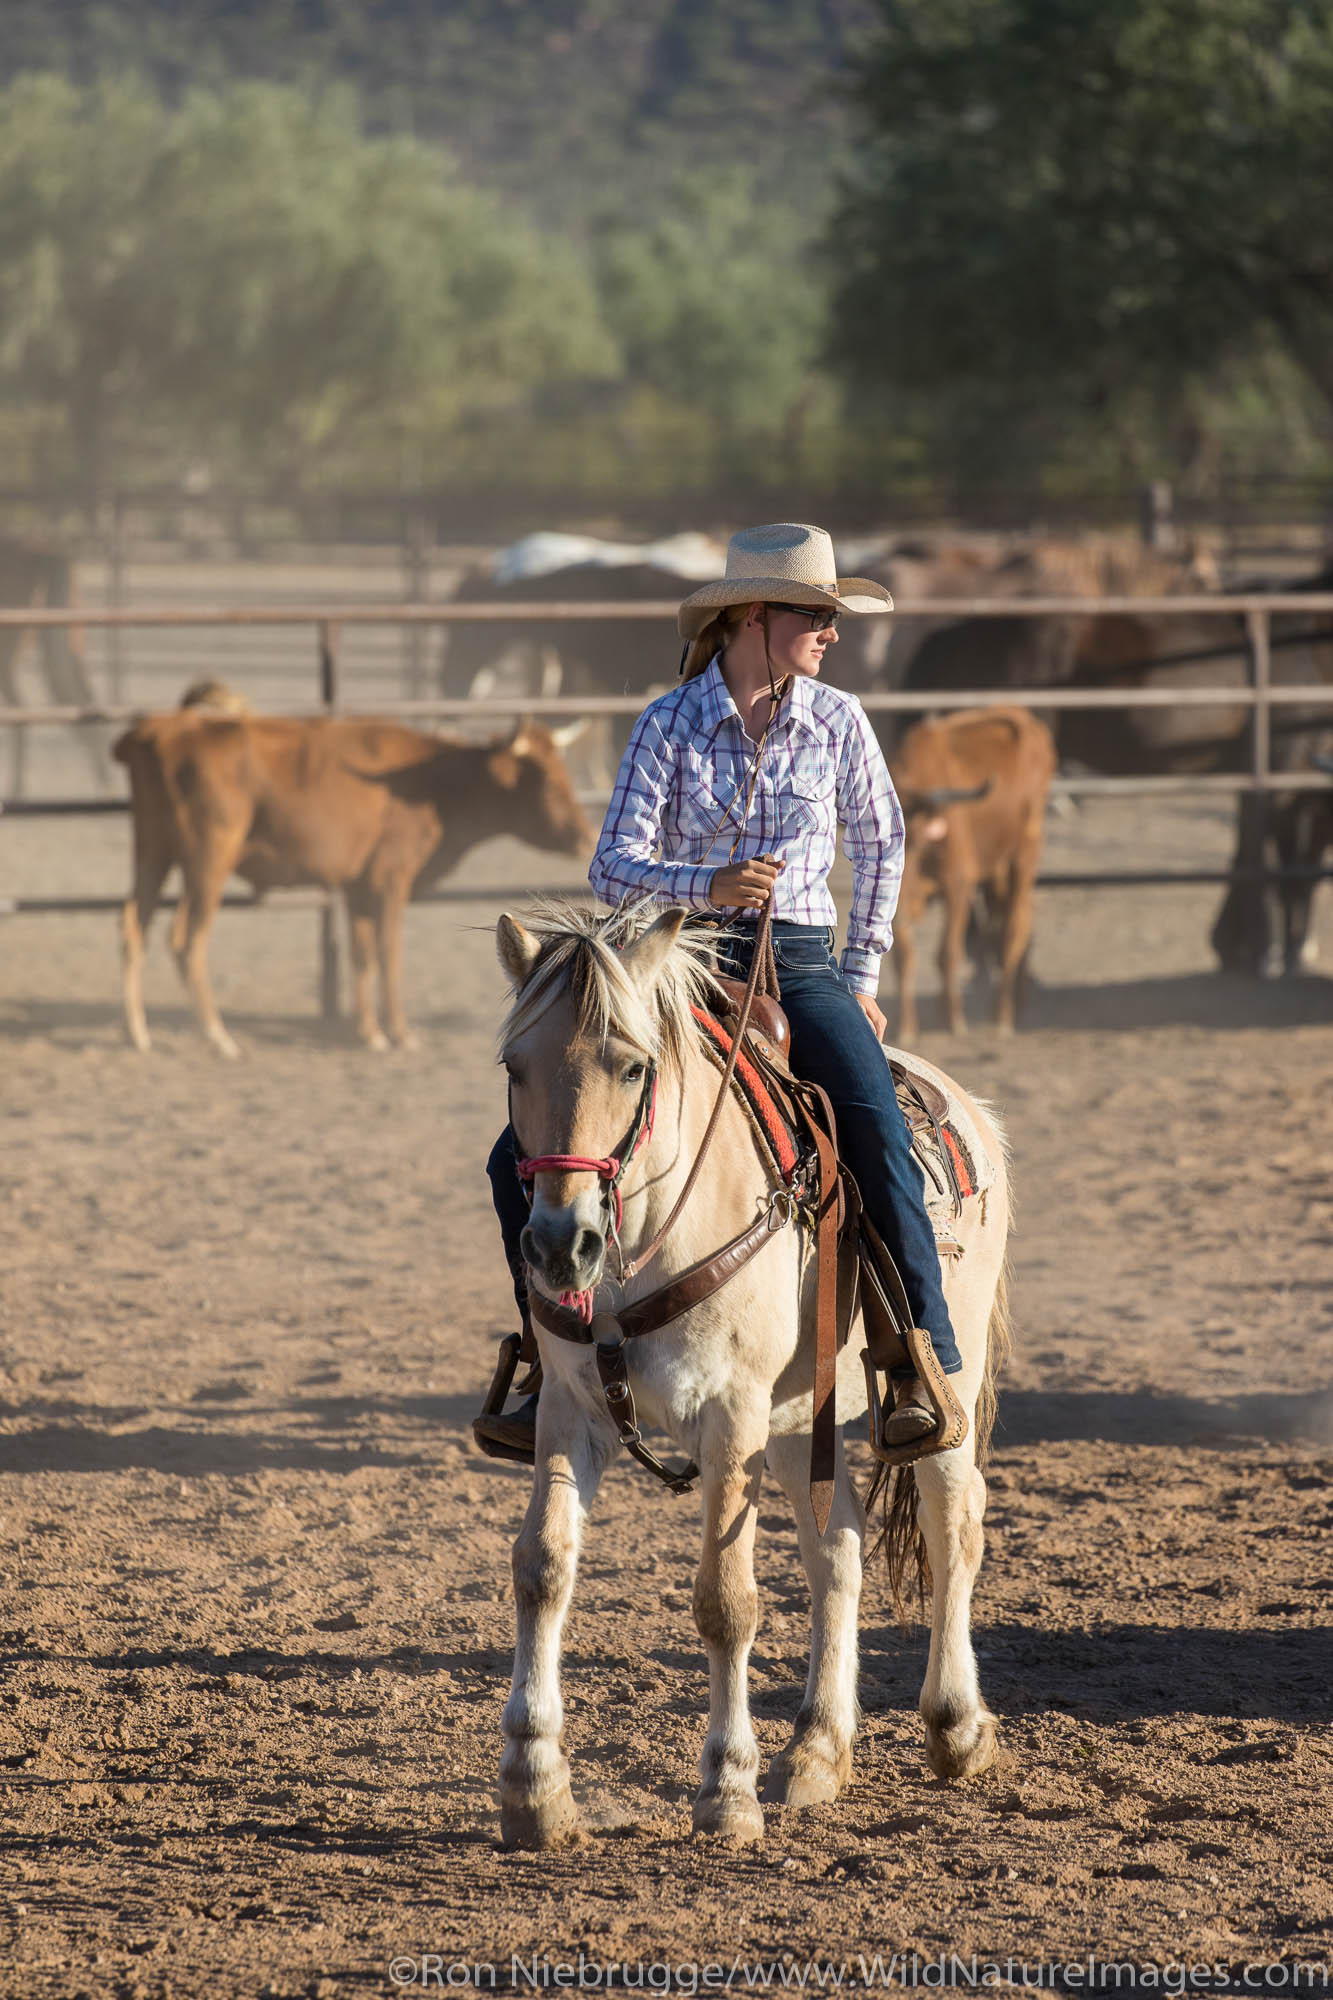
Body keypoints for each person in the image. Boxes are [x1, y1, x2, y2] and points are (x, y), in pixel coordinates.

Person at [474, 522, 960, 1462]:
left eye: (829, 615)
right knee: (517, 1156)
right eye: (813, 614)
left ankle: (915, 1358)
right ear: (752, 615)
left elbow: (883, 845)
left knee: (874, 1122)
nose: (829, 631)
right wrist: (708, 888)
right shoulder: (669, 723)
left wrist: (860, 978)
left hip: (803, 959)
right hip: (674, 961)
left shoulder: (839, 721)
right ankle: (547, 1354)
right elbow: (612, 866)